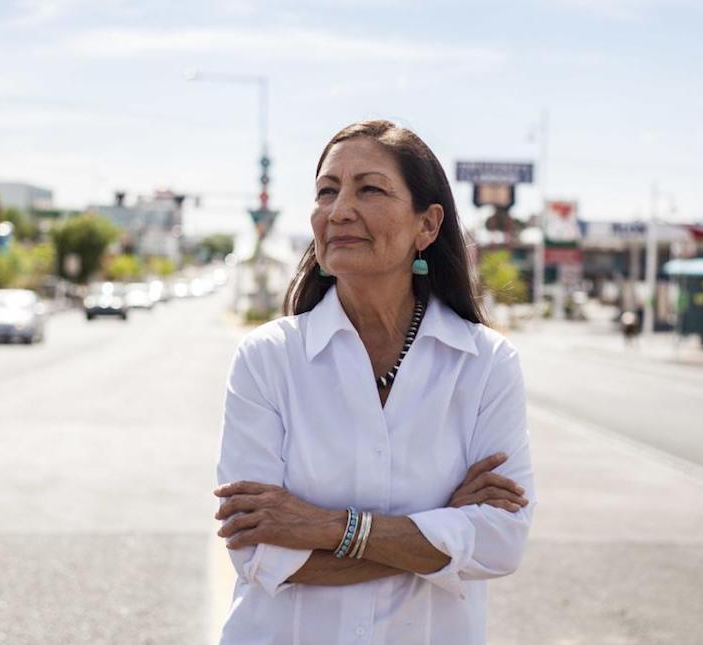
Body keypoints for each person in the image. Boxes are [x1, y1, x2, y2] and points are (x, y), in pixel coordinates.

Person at [214, 120, 535, 644]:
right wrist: (441, 531)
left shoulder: (484, 364)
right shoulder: (269, 358)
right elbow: (258, 554)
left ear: (426, 226)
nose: (339, 210)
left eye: (369, 189)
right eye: (326, 191)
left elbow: (500, 542)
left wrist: (323, 528)